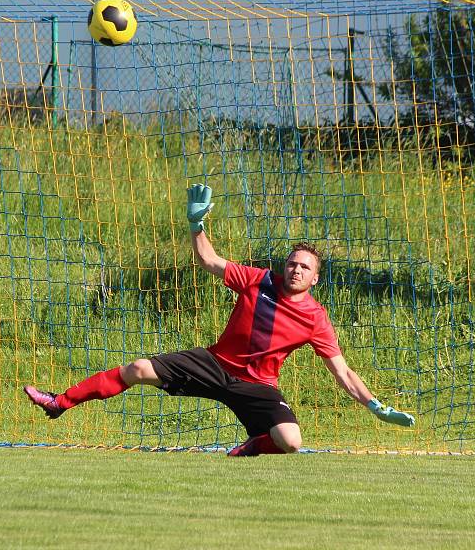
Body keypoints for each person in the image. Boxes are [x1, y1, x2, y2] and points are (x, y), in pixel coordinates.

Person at [24, 184, 415, 456]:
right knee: (137, 368)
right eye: (293, 263)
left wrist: (374, 405)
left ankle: (252, 445)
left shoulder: (317, 319)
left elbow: (342, 372)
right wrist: (197, 226)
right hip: (213, 364)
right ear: (285, 266)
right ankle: (60, 402)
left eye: (305, 267)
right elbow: (209, 261)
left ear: (315, 278)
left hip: (257, 385)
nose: (296, 270)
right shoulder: (258, 279)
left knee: (290, 441)